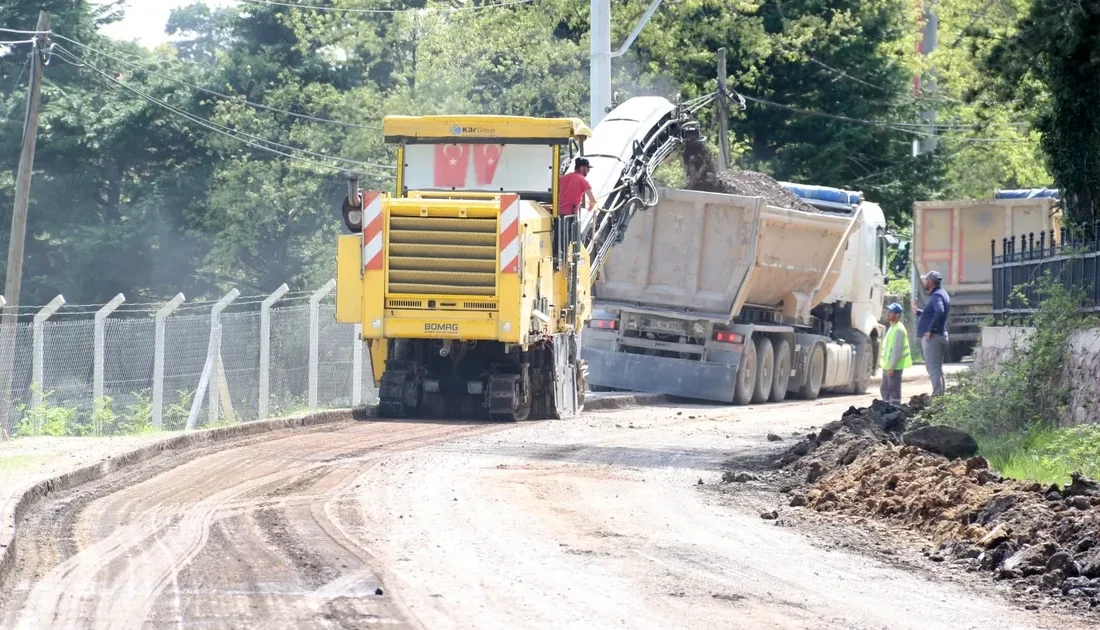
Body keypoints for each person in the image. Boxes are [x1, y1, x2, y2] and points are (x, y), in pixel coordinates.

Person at [555, 158, 598, 264]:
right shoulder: (583, 181)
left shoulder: (563, 178)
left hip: (558, 213)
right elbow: (592, 200)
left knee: (558, 240)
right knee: (569, 240)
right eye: (587, 169)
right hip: (570, 215)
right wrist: (590, 209)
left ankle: (557, 260)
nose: (588, 171)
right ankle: (565, 263)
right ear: (582, 167)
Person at [916, 270, 951, 395]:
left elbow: (940, 311)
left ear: (930, 282)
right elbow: (933, 313)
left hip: (934, 337)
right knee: (937, 368)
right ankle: (940, 395)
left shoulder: (937, 296)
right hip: (940, 335)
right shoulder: (942, 294)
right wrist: (919, 312)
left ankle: (938, 395)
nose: (925, 282)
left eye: (926, 280)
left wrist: (930, 330)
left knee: (933, 368)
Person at [879, 302, 912, 405]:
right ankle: (888, 410)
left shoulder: (898, 329)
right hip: (888, 366)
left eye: (891, 312)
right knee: (885, 390)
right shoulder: (893, 327)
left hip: (894, 367)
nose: (888, 313)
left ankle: (895, 411)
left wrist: (892, 367)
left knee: (894, 392)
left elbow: (897, 351)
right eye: (888, 311)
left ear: (897, 315)